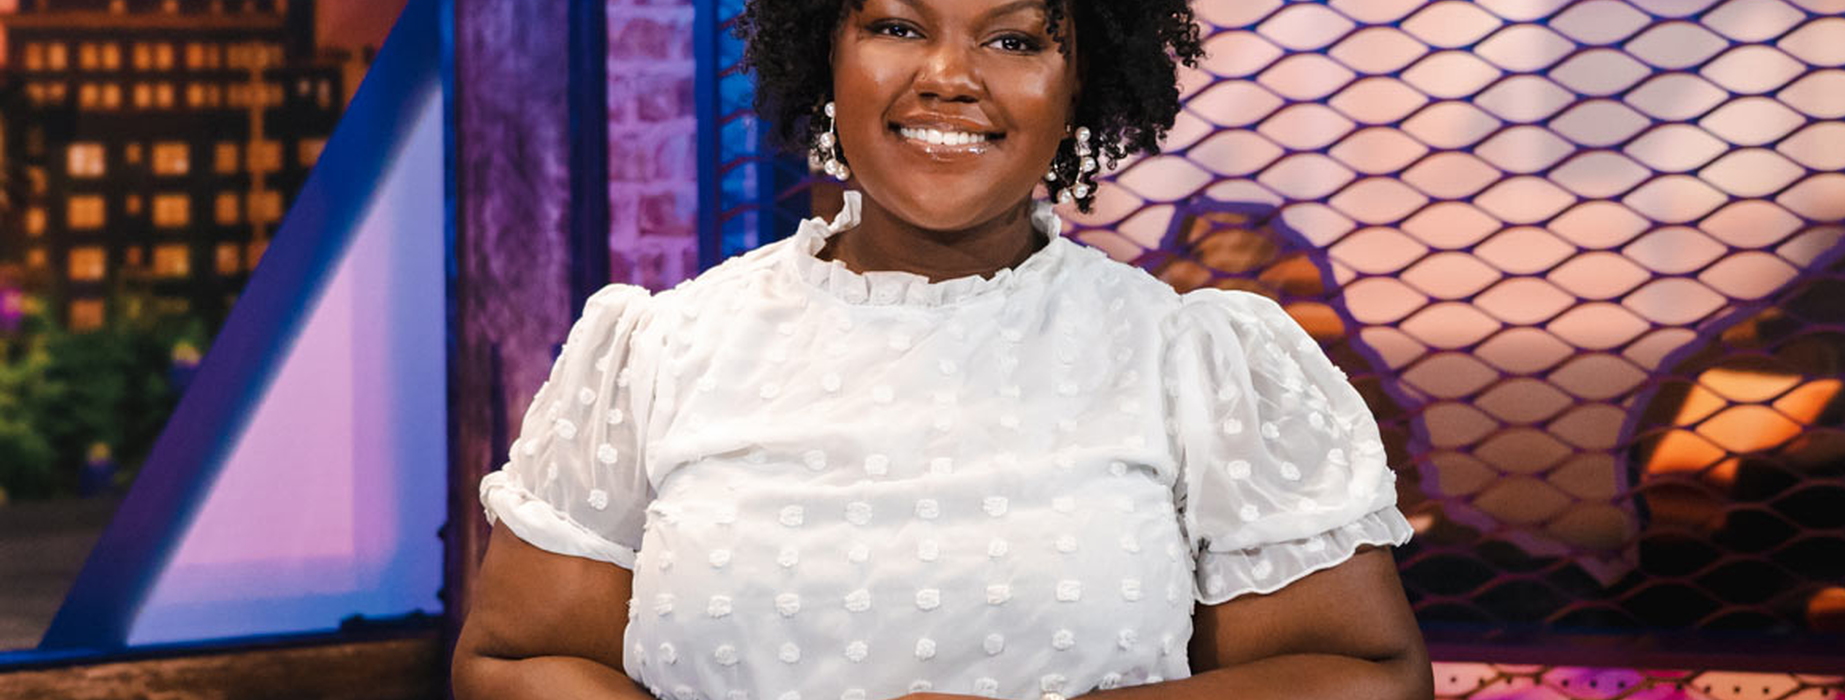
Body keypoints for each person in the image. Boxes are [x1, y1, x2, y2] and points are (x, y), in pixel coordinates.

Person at [452, 0, 1433, 698]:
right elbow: (515, 660)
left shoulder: (1192, 359)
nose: (949, 76)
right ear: (826, 51)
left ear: (1080, 77)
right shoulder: (663, 350)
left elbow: (1361, 674)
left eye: (1013, 38)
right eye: (895, 26)